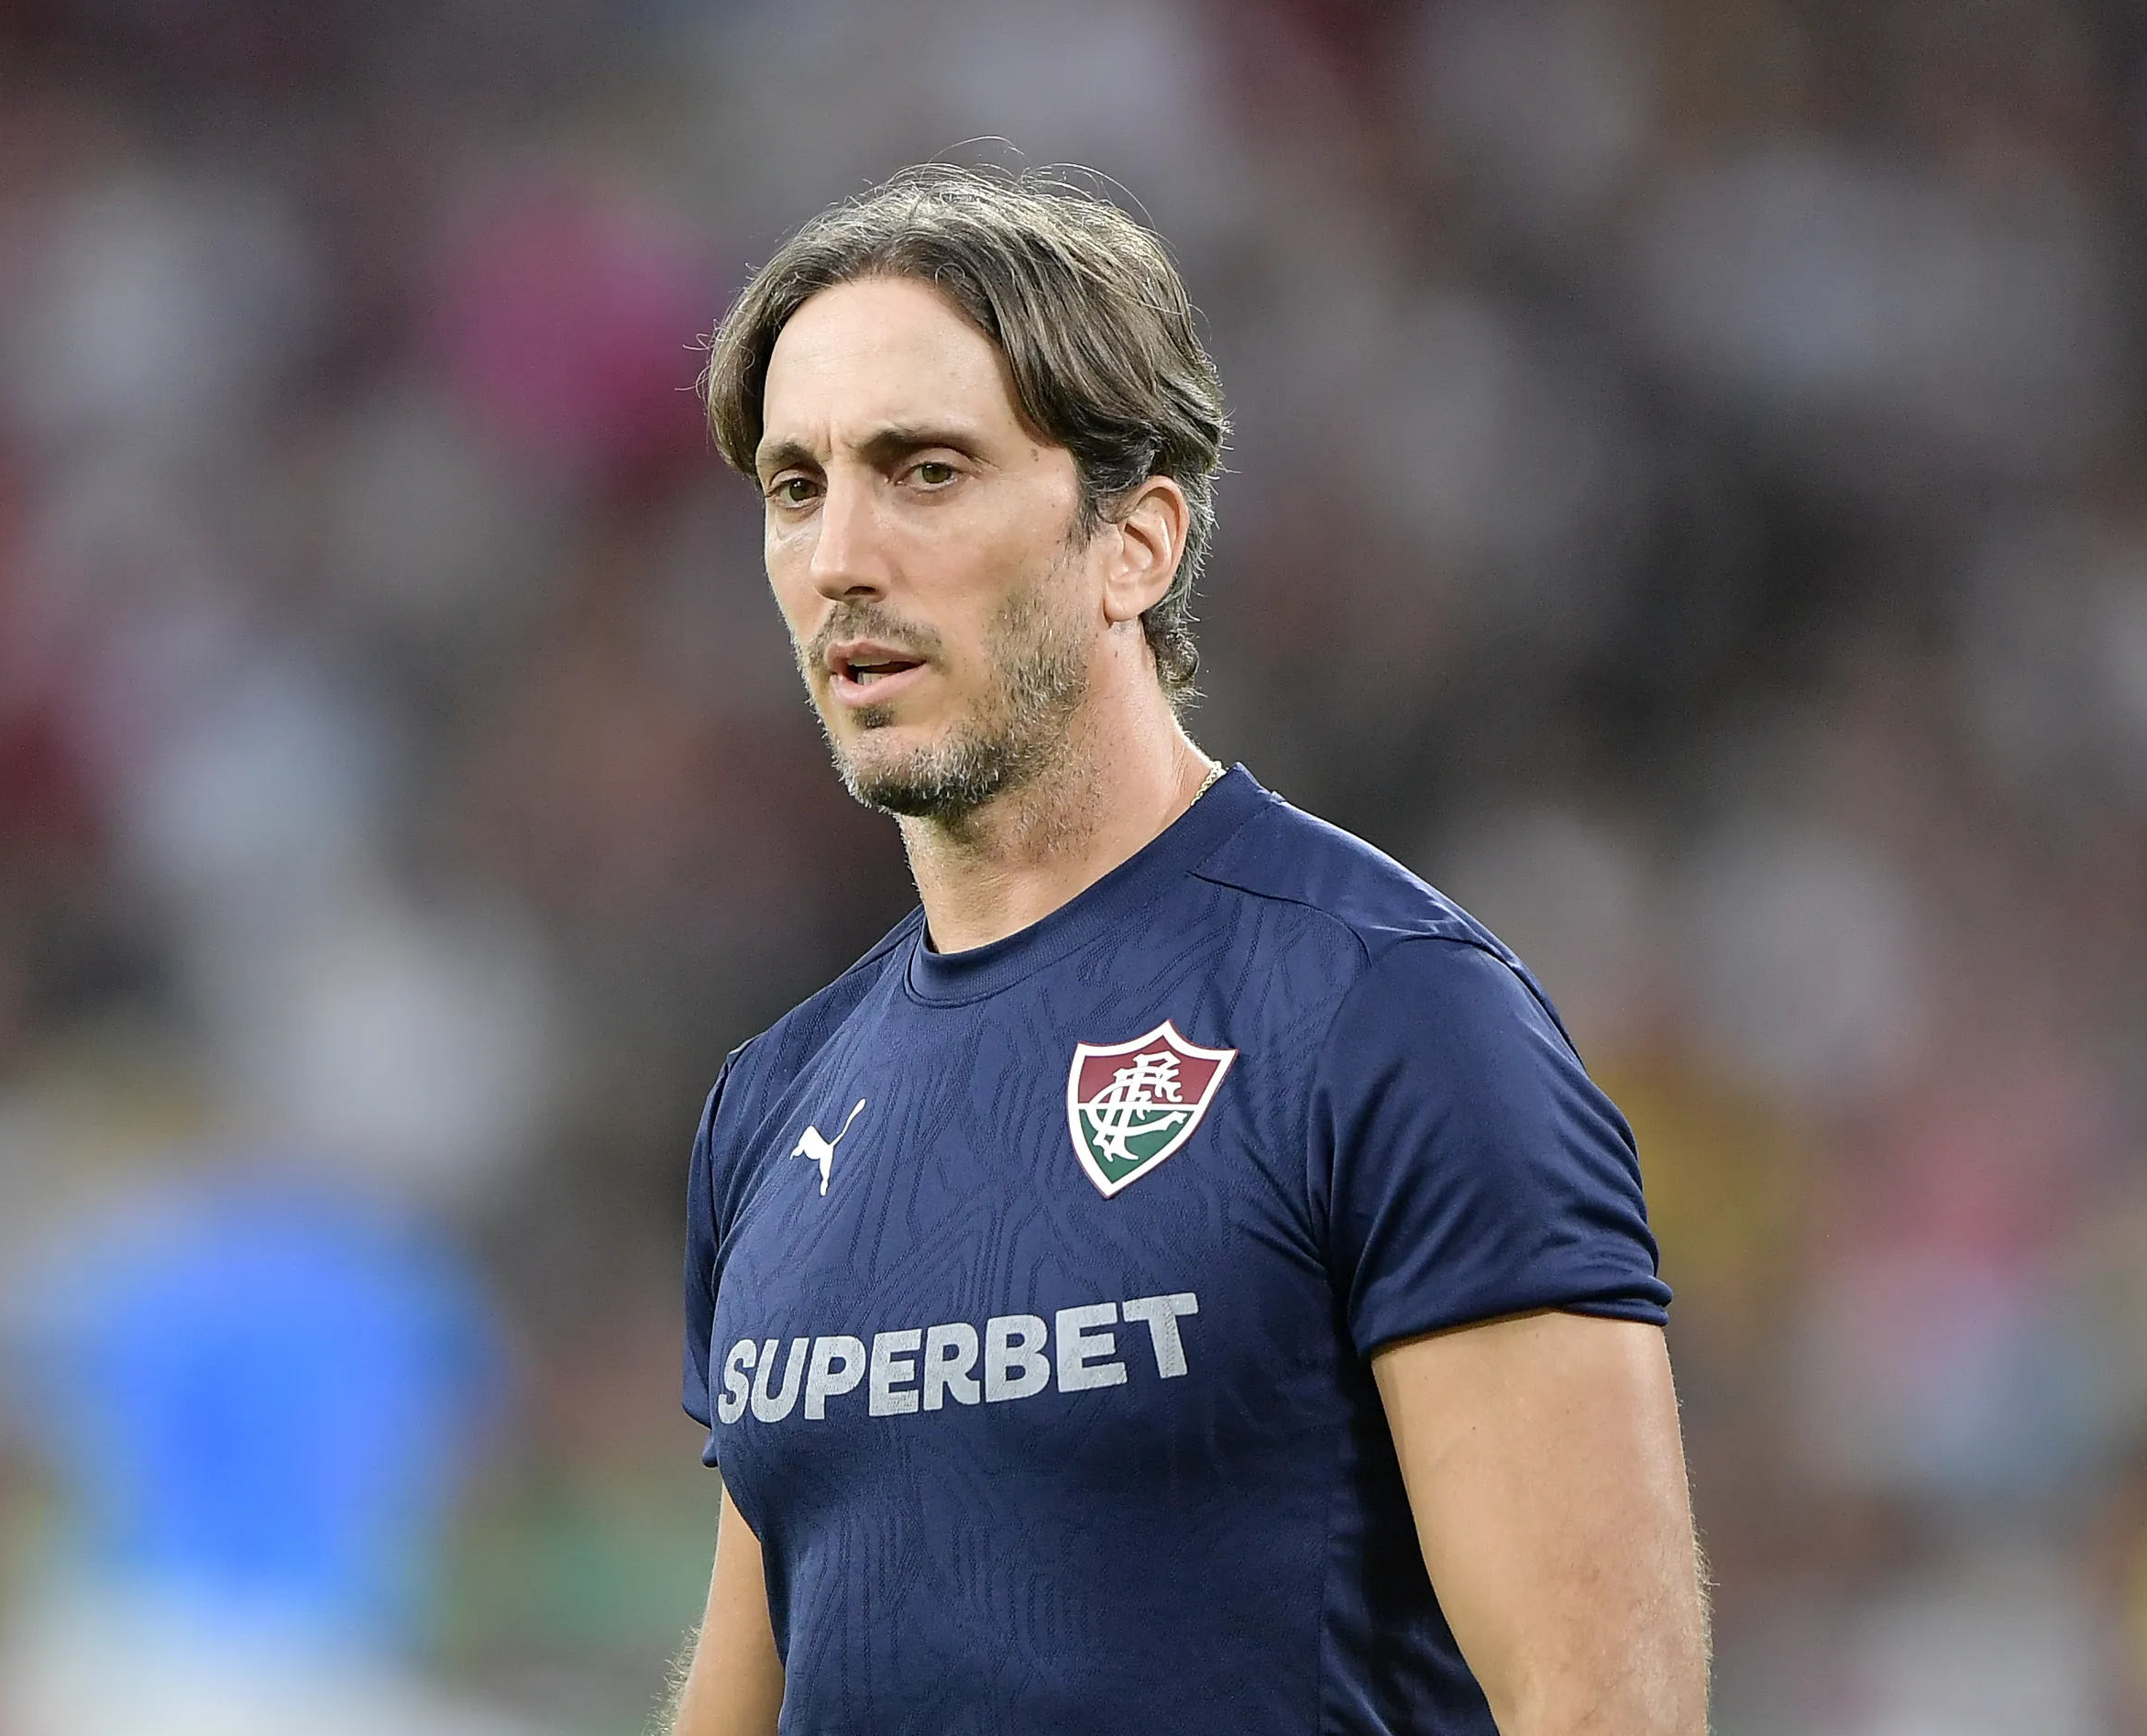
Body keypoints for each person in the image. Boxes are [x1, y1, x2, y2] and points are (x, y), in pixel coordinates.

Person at [662, 167, 1706, 1735]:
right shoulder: (773, 1108)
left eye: (926, 471)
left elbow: (1605, 1705)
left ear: (1134, 543)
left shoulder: (1392, 1020)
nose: (839, 558)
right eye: (797, 487)